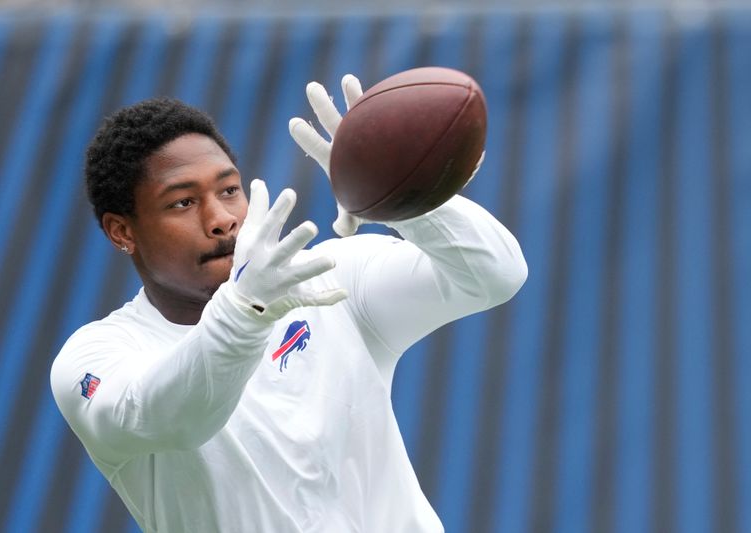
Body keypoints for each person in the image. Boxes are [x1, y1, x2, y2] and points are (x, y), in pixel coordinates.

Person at [50, 74, 527, 532]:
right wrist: (246, 309)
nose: (221, 219)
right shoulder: (94, 358)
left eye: (229, 190)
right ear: (122, 230)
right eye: (182, 203)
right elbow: (180, 417)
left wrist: (404, 198)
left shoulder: (330, 276)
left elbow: (493, 276)